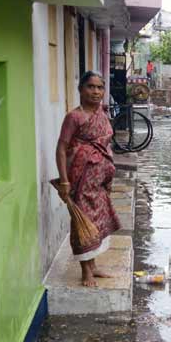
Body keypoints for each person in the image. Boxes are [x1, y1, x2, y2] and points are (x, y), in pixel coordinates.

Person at [55, 71, 122, 287]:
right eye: (90, 87)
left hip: (99, 182)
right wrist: (64, 181)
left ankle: (93, 266)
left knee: (98, 222)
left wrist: (107, 174)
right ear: (80, 89)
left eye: (99, 87)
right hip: (79, 179)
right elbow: (62, 148)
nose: (95, 91)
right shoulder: (74, 117)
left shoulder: (102, 115)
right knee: (82, 223)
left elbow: (104, 146)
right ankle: (85, 271)